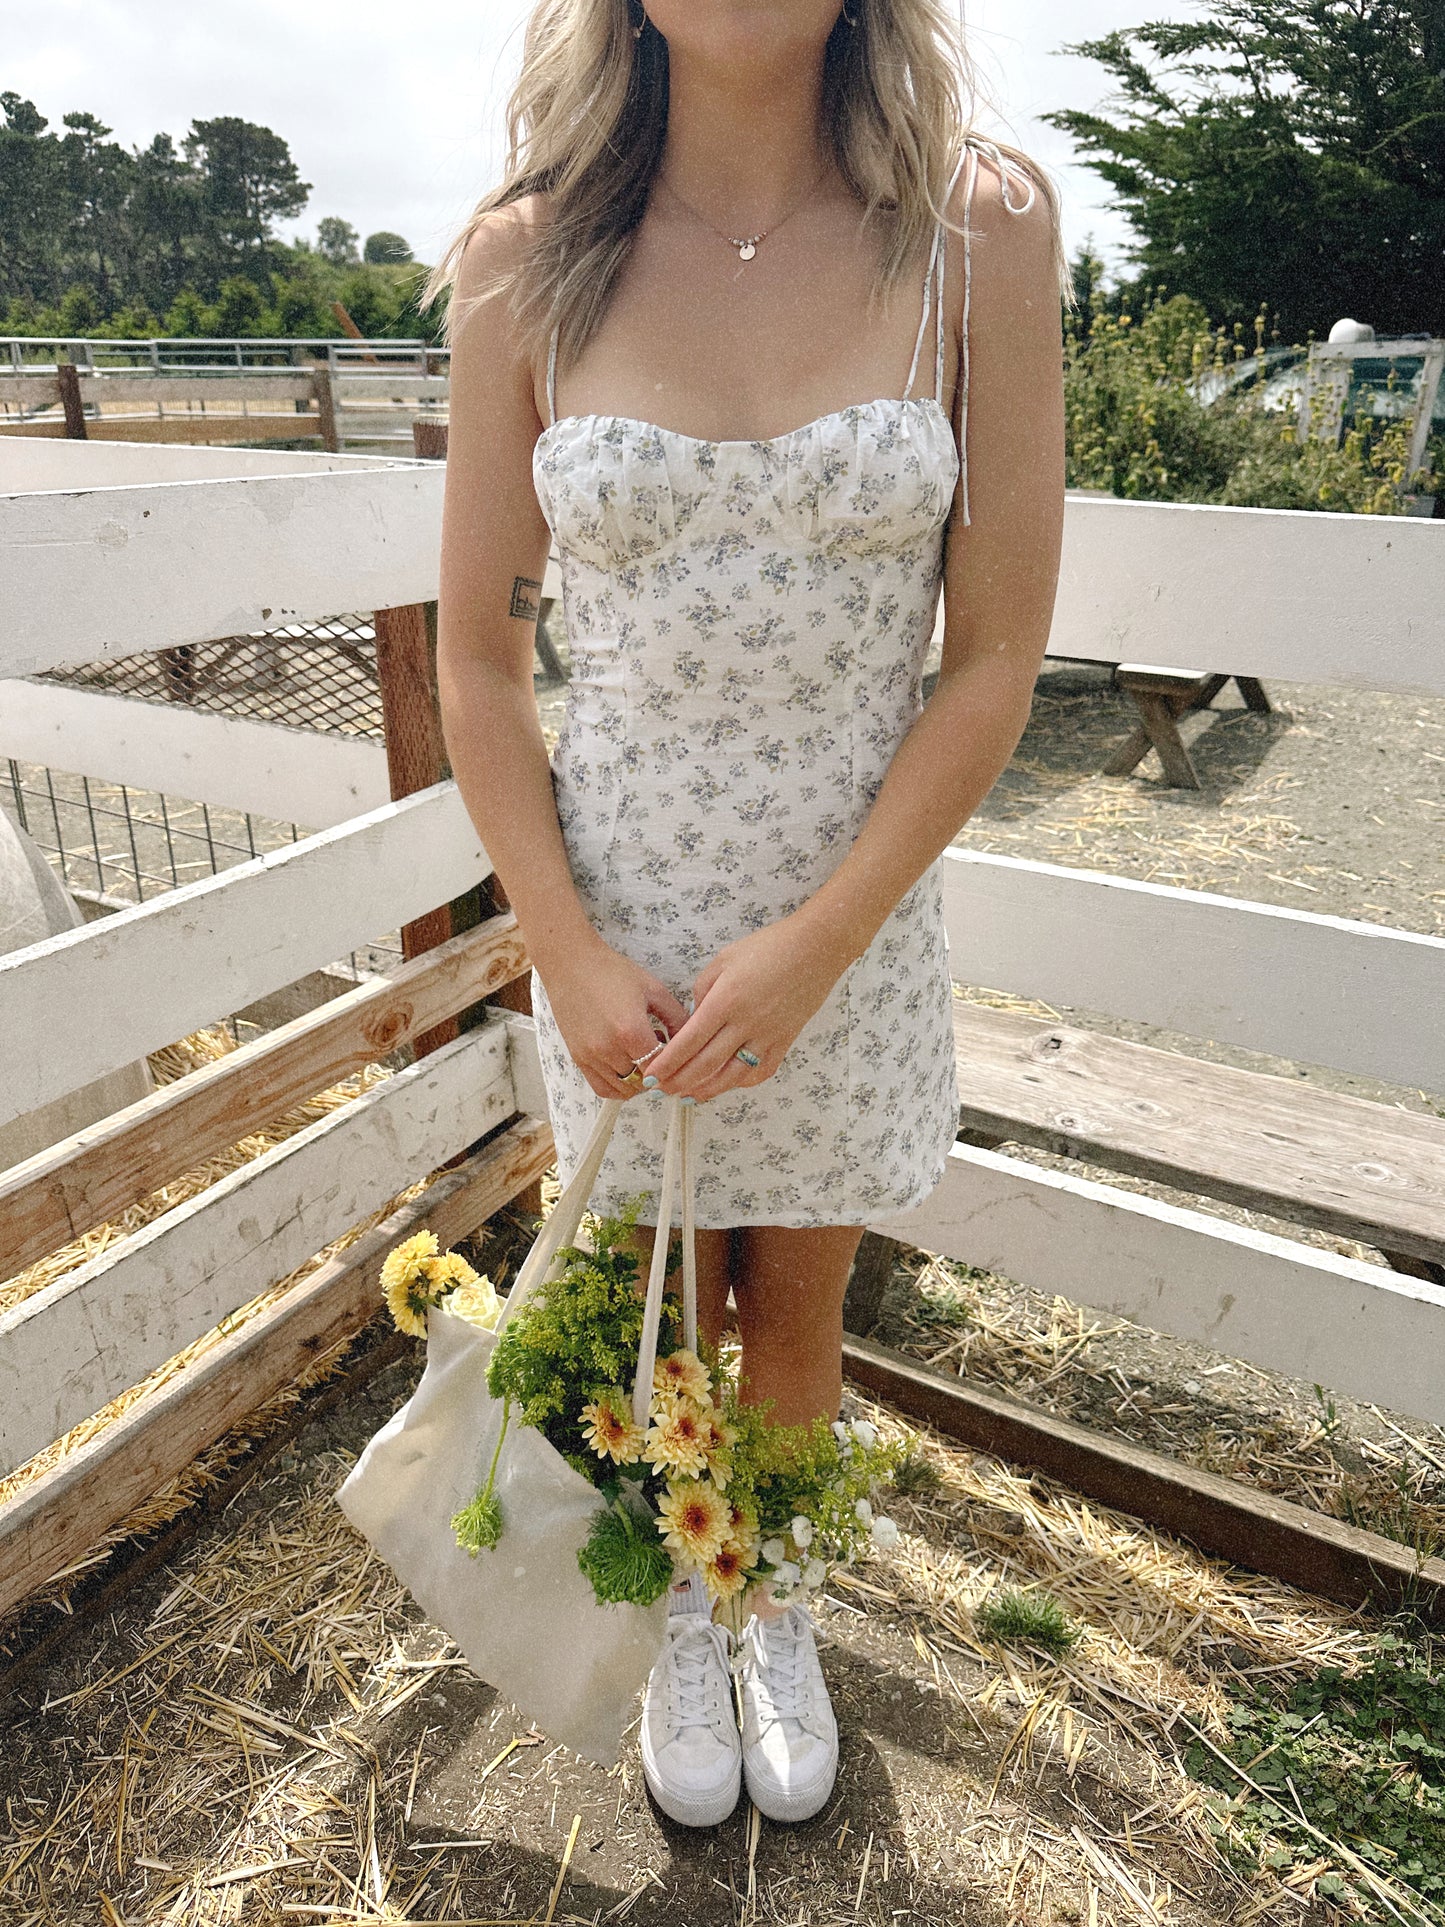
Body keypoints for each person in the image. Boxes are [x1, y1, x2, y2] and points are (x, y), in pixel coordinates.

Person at [427, 0, 1066, 1830]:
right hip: (608, 919)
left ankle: (763, 1597)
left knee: (793, 1304)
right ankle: (670, 1625)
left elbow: (997, 648)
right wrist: (557, 938)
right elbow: (477, 657)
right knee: (640, 1317)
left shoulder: (979, 224)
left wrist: (822, 936)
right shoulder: (522, 254)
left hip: (845, 920)